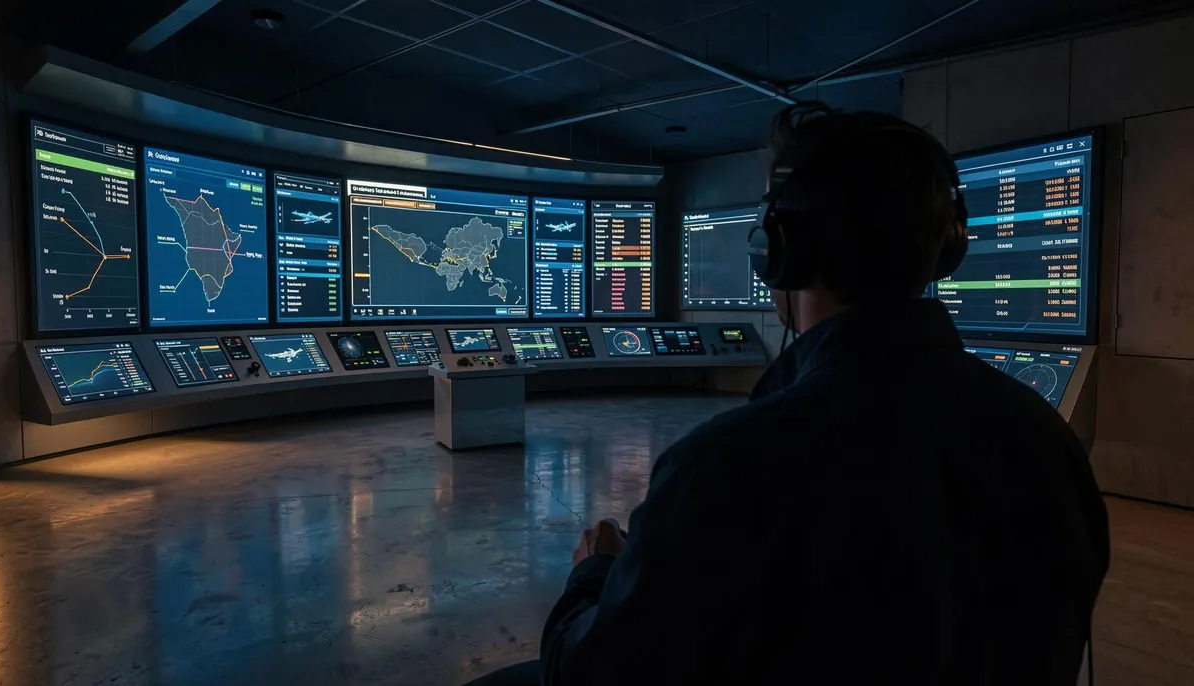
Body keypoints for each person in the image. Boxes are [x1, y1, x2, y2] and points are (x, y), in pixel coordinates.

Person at [467, 104, 1109, 685]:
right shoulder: (1047, 444)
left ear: (779, 251)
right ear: (945, 250)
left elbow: (595, 673)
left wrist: (592, 577)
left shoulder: (726, 465)